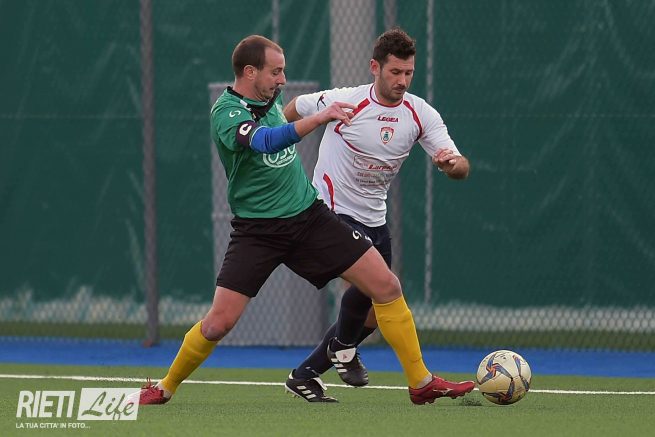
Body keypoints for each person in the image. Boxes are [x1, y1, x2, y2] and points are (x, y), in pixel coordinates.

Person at [138, 34, 472, 407]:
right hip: (258, 231)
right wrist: (320, 117)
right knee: (219, 323)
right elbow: (265, 141)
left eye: (283, 71)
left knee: (386, 285)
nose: (283, 80)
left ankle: (420, 383)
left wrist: (451, 162)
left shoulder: (272, 99)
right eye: (276, 72)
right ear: (250, 72)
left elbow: (289, 110)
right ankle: (164, 387)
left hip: (309, 217)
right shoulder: (227, 111)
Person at [283, 27, 471, 403]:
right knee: (383, 287)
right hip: (330, 212)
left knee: (373, 310)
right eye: (395, 72)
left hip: (374, 218)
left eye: (408, 73)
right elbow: (296, 106)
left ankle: (305, 373)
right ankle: (370, 359)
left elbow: (461, 166)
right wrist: (279, 145)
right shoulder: (346, 101)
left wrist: (451, 165)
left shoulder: (420, 114)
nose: (402, 80)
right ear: (375, 67)